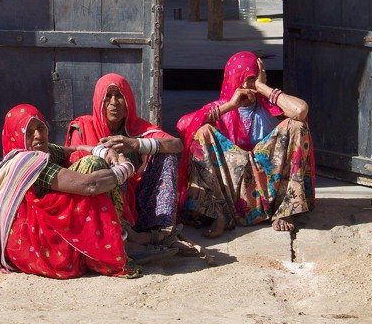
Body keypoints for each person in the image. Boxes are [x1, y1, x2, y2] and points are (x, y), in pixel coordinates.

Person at [0, 103, 138, 279]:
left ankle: (117, 239)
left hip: (38, 232)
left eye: (40, 128)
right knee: (93, 166)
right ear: (16, 137)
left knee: (93, 161)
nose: (38, 136)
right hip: (37, 245)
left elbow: (75, 149)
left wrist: (104, 152)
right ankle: (108, 248)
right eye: (28, 132)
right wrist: (125, 169)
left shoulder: (40, 150)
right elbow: (89, 185)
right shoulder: (29, 163)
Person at [176, 51, 315, 237]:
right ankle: (220, 215)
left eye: (250, 79)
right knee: (202, 132)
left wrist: (261, 86)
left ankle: (285, 210)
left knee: (298, 126)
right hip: (233, 186)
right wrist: (230, 106)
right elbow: (183, 125)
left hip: (269, 180)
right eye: (240, 79)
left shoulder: (271, 105)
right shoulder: (221, 107)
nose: (244, 86)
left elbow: (301, 111)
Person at [65, 74, 183, 247]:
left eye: (119, 95)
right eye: (108, 96)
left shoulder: (139, 128)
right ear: (99, 101)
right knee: (108, 167)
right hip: (101, 206)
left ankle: (162, 229)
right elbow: (75, 165)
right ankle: (125, 235)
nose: (114, 102)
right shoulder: (82, 127)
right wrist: (106, 154)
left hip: (139, 204)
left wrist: (135, 144)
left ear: (128, 101)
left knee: (167, 154)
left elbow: (176, 144)